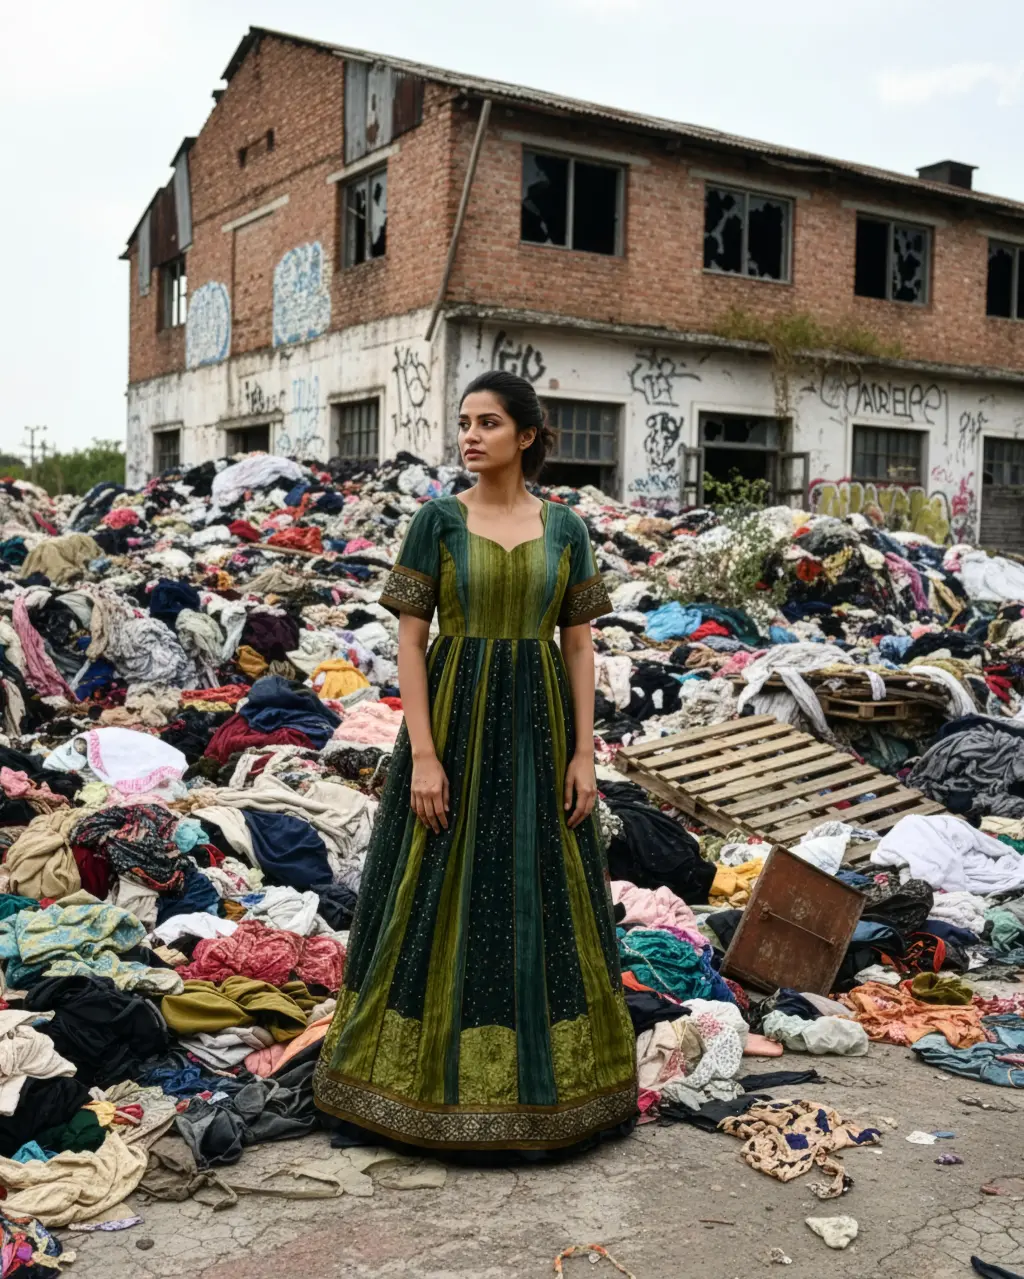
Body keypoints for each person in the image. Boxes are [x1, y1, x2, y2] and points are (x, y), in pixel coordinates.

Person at [313, 370, 638, 1152]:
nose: (470, 435)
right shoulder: (436, 522)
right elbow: (410, 643)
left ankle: (553, 1099)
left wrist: (583, 755)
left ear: (525, 437)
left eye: (488, 423)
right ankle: (410, 1092)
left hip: (537, 733)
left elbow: (580, 642)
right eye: (464, 422)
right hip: (454, 728)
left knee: (537, 897)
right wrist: (423, 754)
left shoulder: (567, 530)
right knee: (433, 894)